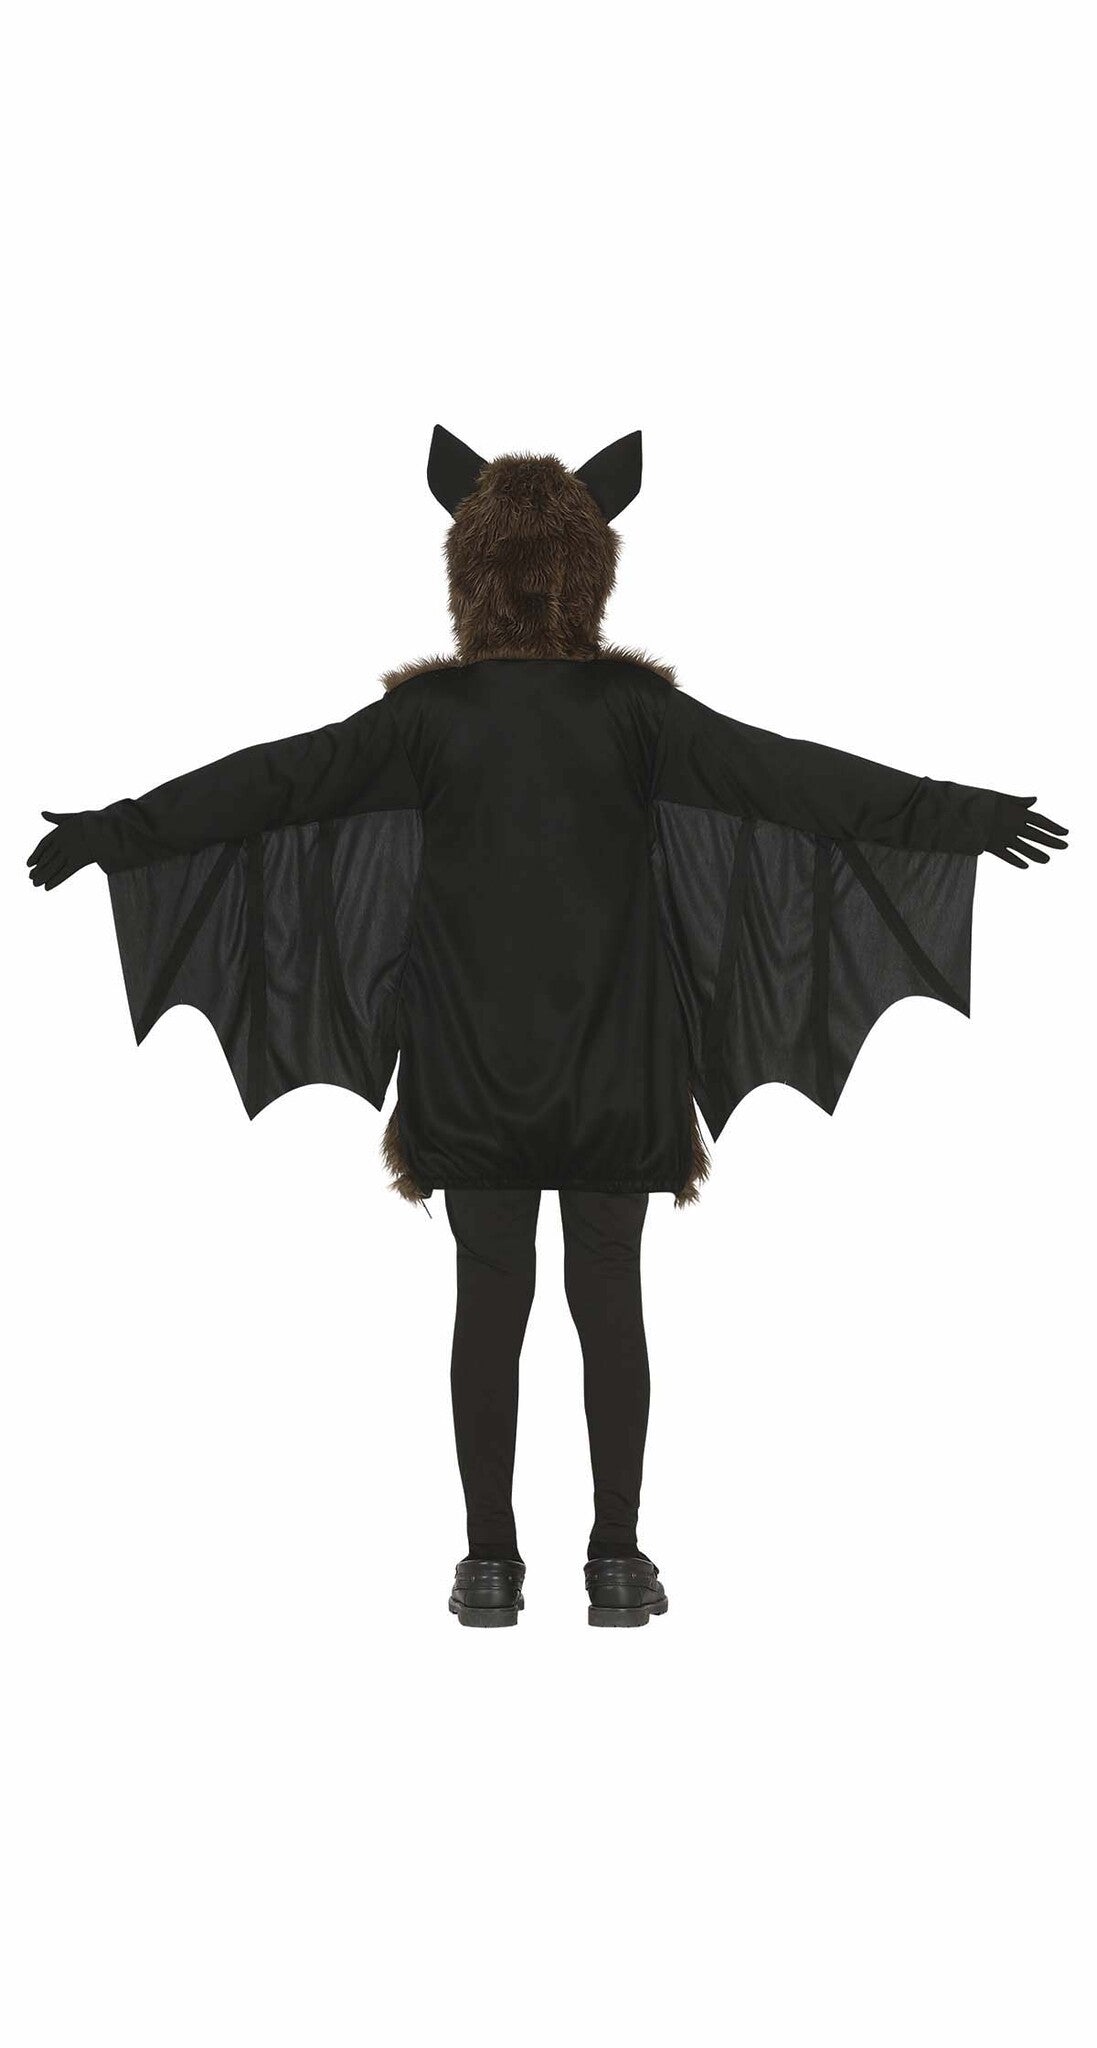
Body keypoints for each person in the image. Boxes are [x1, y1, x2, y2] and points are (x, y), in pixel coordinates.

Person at [28, 425, 1067, 1627]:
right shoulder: (633, 713)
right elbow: (789, 777)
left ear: (466, 572)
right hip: (618, 1058)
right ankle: (615, 1561)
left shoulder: (426, 719)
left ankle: (488, 1565)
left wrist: (117, 830)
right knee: (608, 1294)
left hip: (469, 1059)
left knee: (488, 1298)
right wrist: (951, 815)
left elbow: (273, 782)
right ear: (589, 570)